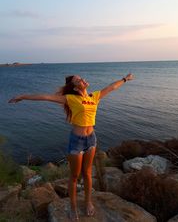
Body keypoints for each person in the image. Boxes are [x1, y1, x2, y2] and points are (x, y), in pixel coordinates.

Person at [8, 73, 134, 221]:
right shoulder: (70, 99)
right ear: (75, 87)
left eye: (81, 78)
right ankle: (73, 207)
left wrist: (125, 79)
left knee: (87, 173)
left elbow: (111, 87)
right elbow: (45, 97)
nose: (82, 79)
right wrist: (22, 96)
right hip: (77, 141)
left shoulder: (94, 96)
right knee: (74, 176)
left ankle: (88, 202)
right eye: (78, 80)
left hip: (91, 139)